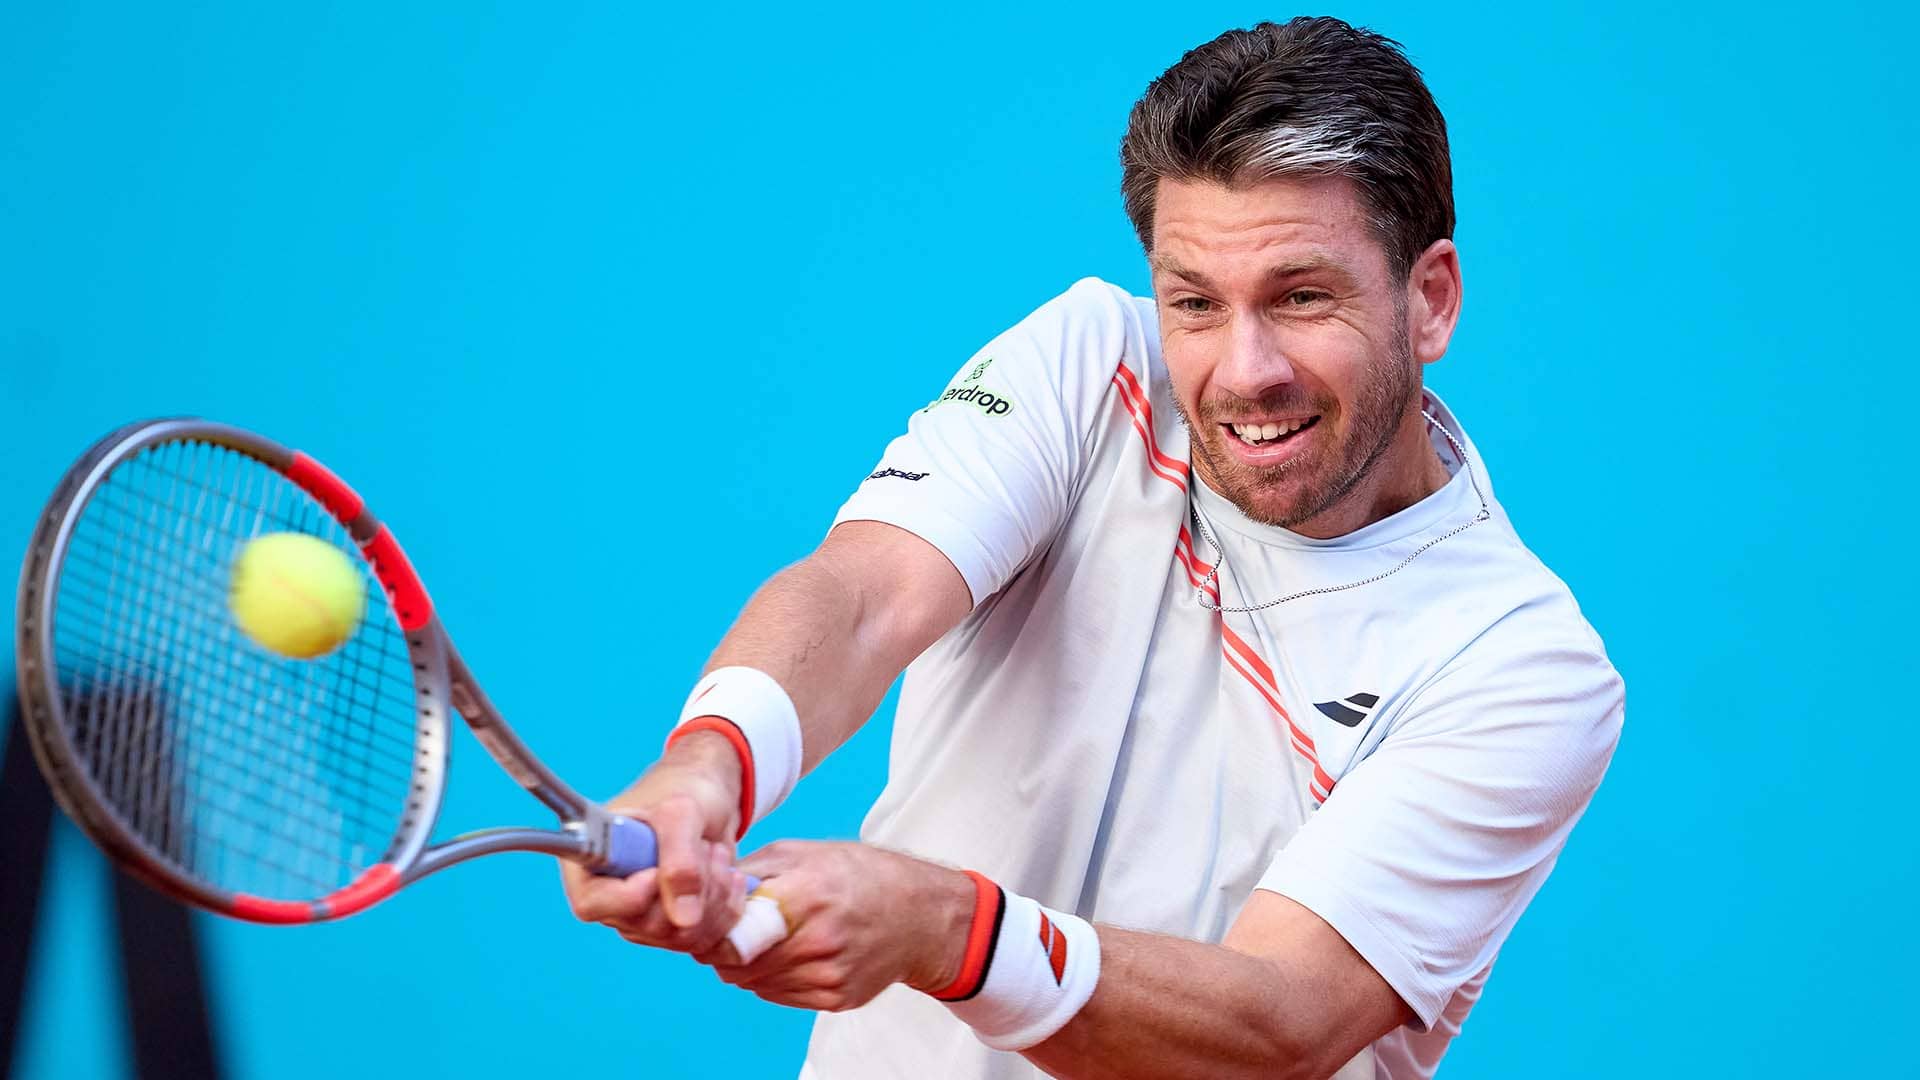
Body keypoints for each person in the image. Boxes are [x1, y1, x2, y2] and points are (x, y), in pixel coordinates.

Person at [561, 16, 1623, 1079]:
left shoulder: (1522, 668)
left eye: (1302, 298)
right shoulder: (1090, 361)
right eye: (1194, 303)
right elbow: (866, 593)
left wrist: (945, 929)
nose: (1246, 370)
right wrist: (708, 769)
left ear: (1429, 298)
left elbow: (1278, 1023)